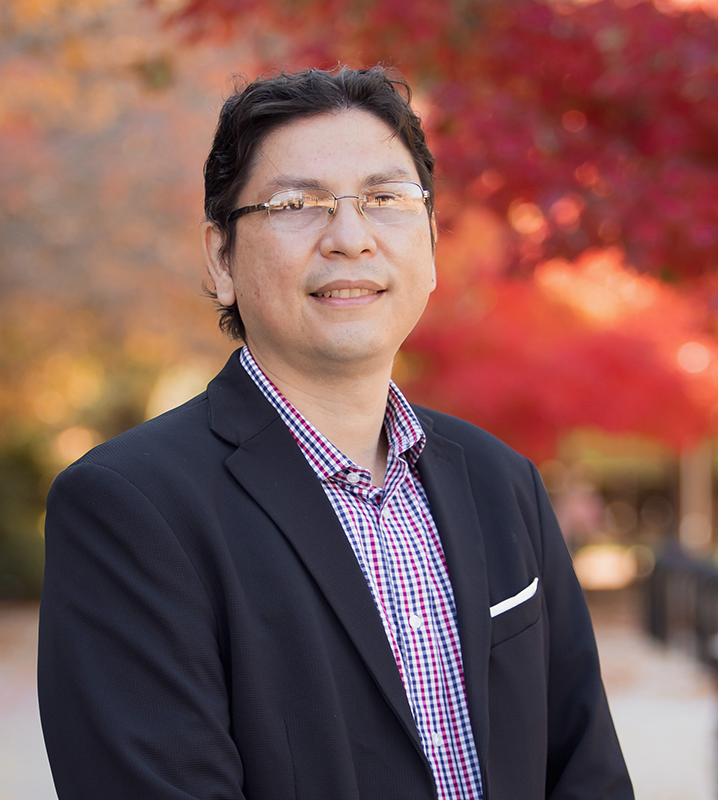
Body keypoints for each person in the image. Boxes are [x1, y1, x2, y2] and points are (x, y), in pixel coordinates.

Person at [38, 67, 633, 800]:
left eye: (385, 199)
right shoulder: (129, 508)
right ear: (221, 258)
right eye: (298, 204)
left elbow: (586, 770)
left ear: (433, 243)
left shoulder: (500, 480)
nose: (350, 238)